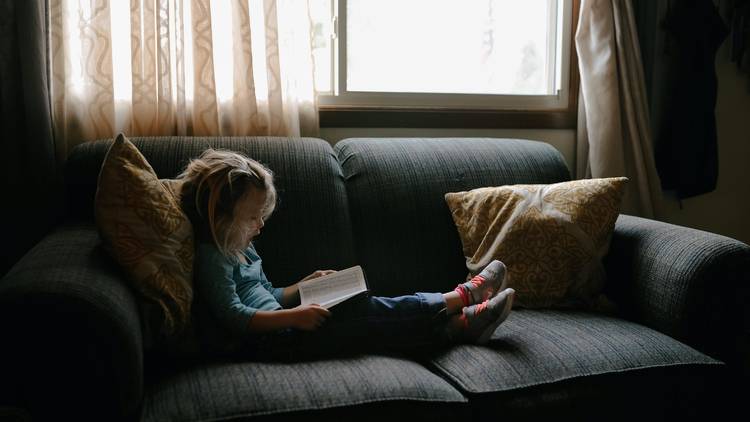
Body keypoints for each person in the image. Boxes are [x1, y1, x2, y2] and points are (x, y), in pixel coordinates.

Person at [178, 148, 515, 360]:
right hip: (271, 342)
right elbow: (235, 315)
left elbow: (268, 295)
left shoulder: (242, 247)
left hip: (284, 327)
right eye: (252, 217)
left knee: (365, 316)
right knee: (364, 315)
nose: (260, 226)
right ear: (220, 217)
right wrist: (295, 316)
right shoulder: (213, 257)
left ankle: (459, 326)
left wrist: (301, 286)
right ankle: (462, 297)